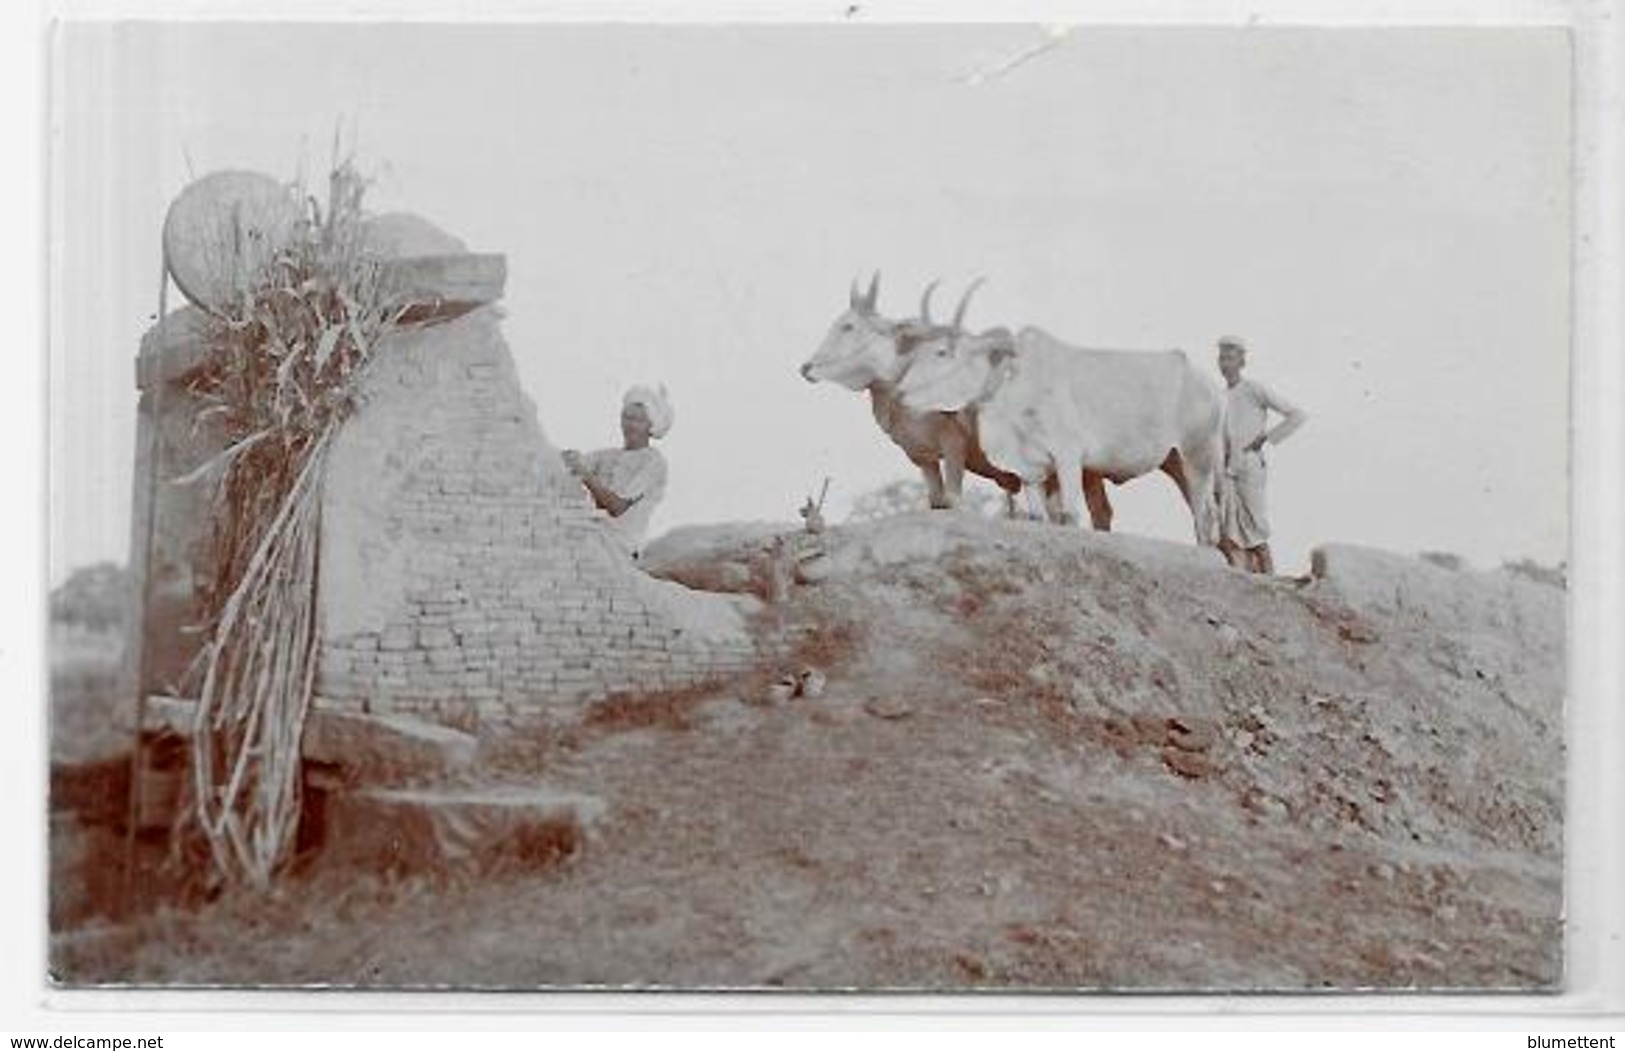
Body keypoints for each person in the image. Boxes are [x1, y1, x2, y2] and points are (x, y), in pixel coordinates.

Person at [1214, 336, 1307, 575]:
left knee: (1255, 527)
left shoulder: (1254, 389)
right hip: (1225, 468)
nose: (1224, 363)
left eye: (1230, 357)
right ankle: (1247, 582)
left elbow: (1296, 414)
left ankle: (1271, 580)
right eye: (1222, 357)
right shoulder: (1218, 395)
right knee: (1230, 528)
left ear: (1241, 361)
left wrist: (1266, 437)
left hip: (1249, 465)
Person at [560, 385, 673, 559]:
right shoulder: (606, 456)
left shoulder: (653, 462)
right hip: (592, 537)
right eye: (627, 417)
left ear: (651, 425)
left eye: (638, 420)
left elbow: (616, 507)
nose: (630, 425)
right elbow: (565, 467)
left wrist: (583, 473)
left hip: (619, 549)